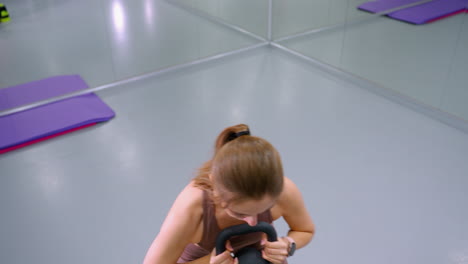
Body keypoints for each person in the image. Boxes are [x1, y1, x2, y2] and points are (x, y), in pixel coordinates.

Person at [143, 124, 315, 264]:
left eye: (265, 208)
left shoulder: (283, 190)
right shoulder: (192, 207)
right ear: (216, 191)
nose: (253, 222)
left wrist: (287, 244)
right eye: (241, 213)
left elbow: (305, 230)